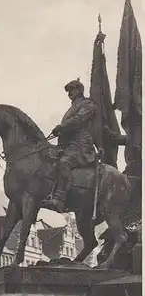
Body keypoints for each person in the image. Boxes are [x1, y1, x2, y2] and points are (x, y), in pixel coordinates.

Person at [41, 79, 98, 213]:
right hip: (69, 145)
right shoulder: (73, 107)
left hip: (81, 145)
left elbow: (78, 120)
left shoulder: (88, 104)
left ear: (79, 90)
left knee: (64, 162)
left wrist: (62, 127)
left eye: (71, 90)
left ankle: (59, 200)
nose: (69, 94)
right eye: (68, 91)